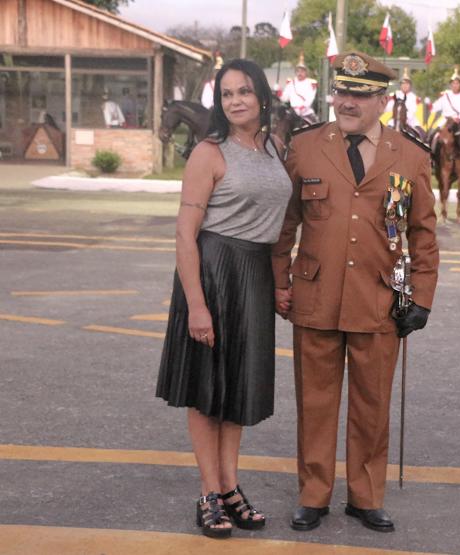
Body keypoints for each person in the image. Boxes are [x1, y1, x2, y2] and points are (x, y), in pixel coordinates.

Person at [272, 51, 439, 534]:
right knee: (316, 403)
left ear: (381, 101)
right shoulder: (305, 149)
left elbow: (421, 234)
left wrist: (419, 296)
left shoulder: (410, 155)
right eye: (343, 91)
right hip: (316, 296)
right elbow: (284, 225)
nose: (348, 102)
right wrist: (278, 283)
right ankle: (313, 494)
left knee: (372, 405)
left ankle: (365, 496)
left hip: (379, 299)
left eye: (360, 95)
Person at [156, 59, 292, 538]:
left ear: (262, 96)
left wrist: (278, 280)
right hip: (213, 272)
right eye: (227, 93)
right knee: (205, 387)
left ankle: (232, 488)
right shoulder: (209, 152)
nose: (235, 100)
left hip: (254, 274)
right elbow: (184, 234)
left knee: (238, 387)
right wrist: (196, 303)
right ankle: (209, 493)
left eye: (244, 91)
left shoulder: (275, 147)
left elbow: (277, 228)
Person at [282, 55, 318, 120]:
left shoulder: (311, 83)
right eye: (298, 71)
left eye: (302, 71)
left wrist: (302, 108)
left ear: (306, 72)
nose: (299, 73)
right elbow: (284, 98)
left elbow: (310, 98)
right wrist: (278, 92)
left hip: (306, 113)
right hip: (292, 113)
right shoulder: (291, 83)